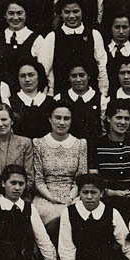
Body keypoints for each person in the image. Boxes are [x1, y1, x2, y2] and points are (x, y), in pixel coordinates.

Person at [57, 174, 130, 260]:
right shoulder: (69, 213)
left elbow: (126, 245)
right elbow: (66, 245)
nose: (89, 197)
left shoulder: (112, 213)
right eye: (85, 192)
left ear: (101, 193)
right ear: (79, 193)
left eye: (93, 192)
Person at [31, 101, 88, 236]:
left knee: (72, 216)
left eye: (66, 118)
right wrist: (51, 198)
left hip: (73, 196)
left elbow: (80, 179)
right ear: (50, 119)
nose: (62, 122)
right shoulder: (38, 143)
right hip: (45, 197)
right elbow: (38, 179)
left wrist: (69, 198)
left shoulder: (80, 144)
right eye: (57, 117)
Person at [37, 0, 109, 96]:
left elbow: (102, 66)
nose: (71, 16)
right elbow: (44, 69)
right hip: (61, 93)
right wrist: (49, 93)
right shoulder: (52, 37)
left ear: (82, 12)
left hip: (89, 94)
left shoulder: (94, 35)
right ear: (61, 13)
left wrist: (103, 92)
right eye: (67, 12)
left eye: (76, 11)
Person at [90, 99, 130, 220]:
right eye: (118, 118)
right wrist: (111, 192)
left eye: (127, 119)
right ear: (109, 118)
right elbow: (94, 179)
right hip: (107, 199)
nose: (123, 122)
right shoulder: (96, 144)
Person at [0, 0, 42, 89]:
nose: (15, 18)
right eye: (11, 13)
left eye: (19, 13)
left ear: (26, 14)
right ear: (5, 15)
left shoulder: (37, 40)